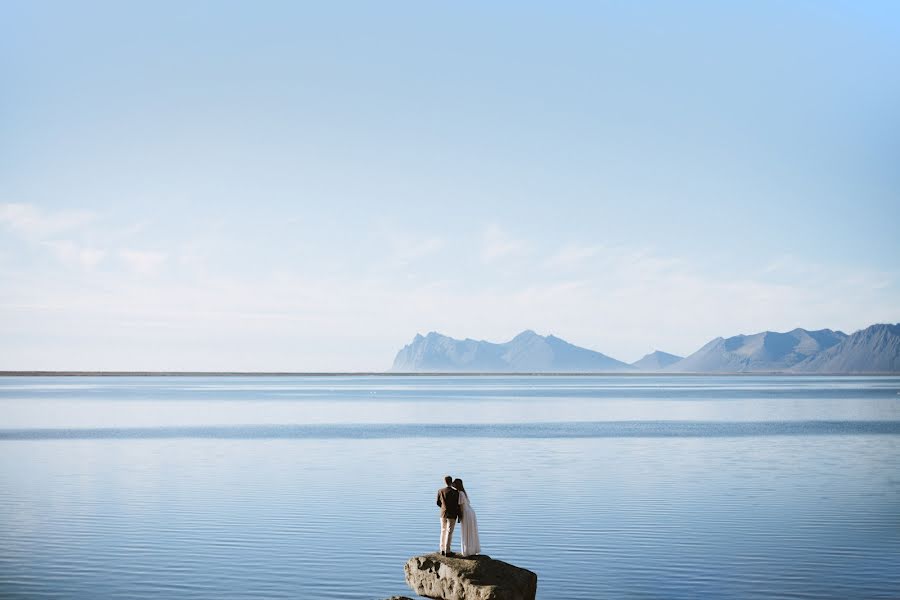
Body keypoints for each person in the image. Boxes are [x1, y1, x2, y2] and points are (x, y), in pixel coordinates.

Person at [453, 478, 481, 556]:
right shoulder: (463, 492)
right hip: (470, 512)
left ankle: (467, 551)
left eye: (454, 484)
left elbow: (460, 505)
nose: (453, 485)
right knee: (471, 532)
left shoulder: (460, 493)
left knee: (466, 532)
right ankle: (472, 549)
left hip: (466, 513)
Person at [436, 475, 460, 556]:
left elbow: (438, 503)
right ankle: (447, 551)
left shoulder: (440, 491)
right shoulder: (455, 492)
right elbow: (457, 504)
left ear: (444, 481)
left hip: (443, 514)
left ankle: (442, 549)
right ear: (451, 482)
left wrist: (443, 508)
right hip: (452, 514)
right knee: (449, 532)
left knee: (443, 531)